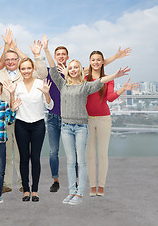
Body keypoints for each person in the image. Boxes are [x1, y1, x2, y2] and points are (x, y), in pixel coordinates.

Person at [43, 35, 132, 193]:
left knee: (82, 158)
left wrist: (116, 65)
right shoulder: (66, 81)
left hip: (84, 122)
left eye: (74, 67)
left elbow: (98, 71)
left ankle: (86, 187)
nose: (73, 70)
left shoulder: (85, 83)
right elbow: (54, 69)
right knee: (68, 155)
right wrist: (45, 50)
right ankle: (68, 184)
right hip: (66, 120)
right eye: (58, 55)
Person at [0, 37, 48, 193]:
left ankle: (22, 183)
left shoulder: (26, 74)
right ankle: (7, 184)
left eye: (13, 59)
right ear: (4, 61)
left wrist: (36, 55)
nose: (10, 62)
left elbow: (43, 73)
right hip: (3, 120)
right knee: (6, 153)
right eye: (7, 60)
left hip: (22, 119)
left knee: (21, 154)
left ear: (18, 60)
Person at [86, 51, 138, 197]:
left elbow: (110, 98)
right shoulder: (84, 78)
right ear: (89, 62)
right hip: (87, 119)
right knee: (89, 155)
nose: (95, 62)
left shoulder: (109, 79)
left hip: (104, 119)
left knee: (102, 154)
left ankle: (101, 186)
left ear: (103, 62)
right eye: (93, 60)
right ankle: (92, 185)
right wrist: (115, 56)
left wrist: (123, 89)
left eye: (98, 60)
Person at [5, 57, 53, 202]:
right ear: (20, 71)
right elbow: (12, 109)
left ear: (33, 69)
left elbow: (49, 106)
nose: (26, 71)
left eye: (28, 68)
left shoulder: (40, 84)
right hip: (21, 125)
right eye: (23, 69)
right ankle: (26, 190)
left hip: (38, 125)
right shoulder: (16, 86)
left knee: (36, 158)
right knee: (24, 158)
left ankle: (35, 190)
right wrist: (12, 93)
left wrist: (46, 93)